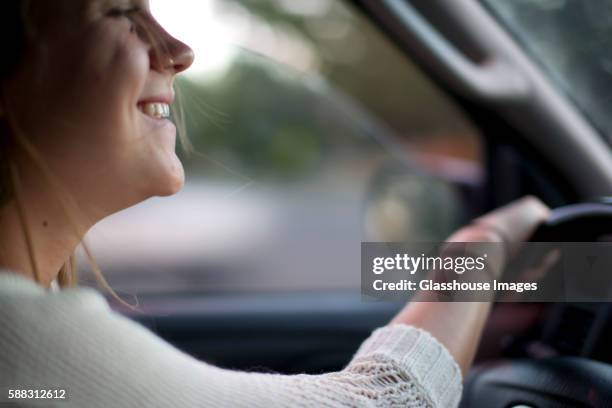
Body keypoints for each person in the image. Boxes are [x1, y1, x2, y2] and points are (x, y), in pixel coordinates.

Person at [0, 1, 550, 407]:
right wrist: (485, 246)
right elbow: (389, 400)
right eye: (121, 11)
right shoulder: (22, 343)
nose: (177, 52)